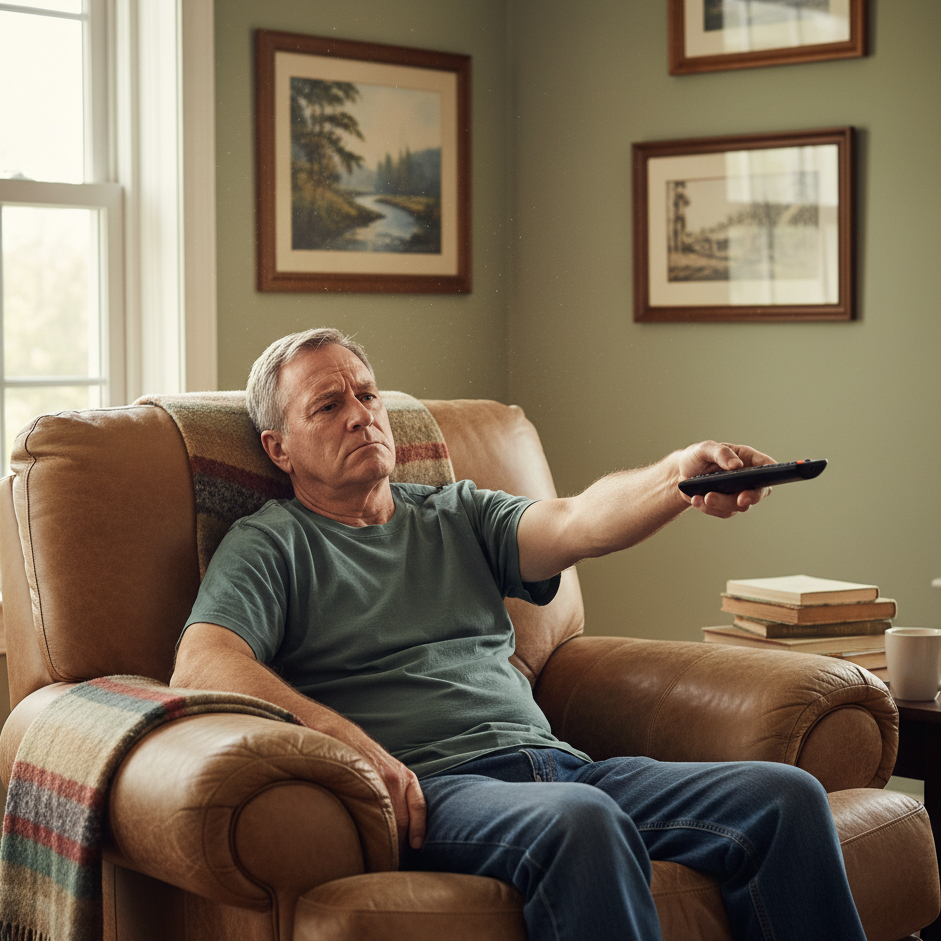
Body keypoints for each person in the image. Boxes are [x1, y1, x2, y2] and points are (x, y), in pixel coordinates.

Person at [170, 328, 866, 941]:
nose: (360, 416)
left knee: (786, 798)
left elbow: (577, 521)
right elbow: (203, 661)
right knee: (582, 820)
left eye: (367, 394)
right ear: (278, 447)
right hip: (437, 789)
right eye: (329, 405)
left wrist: (677, 476)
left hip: (560, 767)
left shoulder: (456, 512)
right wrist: (346, 743)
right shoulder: (270, 545)